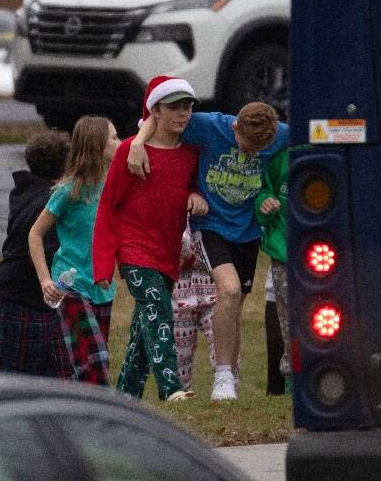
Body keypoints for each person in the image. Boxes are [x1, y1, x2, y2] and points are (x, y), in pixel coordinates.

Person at [127, 101, 288, 401]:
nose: (251, 154)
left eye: (258, 150)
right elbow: (155, 118)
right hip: (211, 223)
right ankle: (222, 378)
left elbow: (315, 133)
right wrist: (137, 142)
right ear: (235, 127)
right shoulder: (209, 125)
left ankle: (231, 380)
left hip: (248, 231)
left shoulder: (278, 134)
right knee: (228, 289)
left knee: (235, 303)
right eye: (246, 146)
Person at [92, 76, 207, 401]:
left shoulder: (191, 153)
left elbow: (188, 186)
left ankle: (124, 400)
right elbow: (107, 207)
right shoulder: (131, 151)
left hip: (167, 254)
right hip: (134, 251)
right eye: (173, 107)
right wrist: (102, 265)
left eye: (187, 106)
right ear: (155, 110)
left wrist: (194, 194)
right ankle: (172, 389)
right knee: (158, 308)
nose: (182, 114)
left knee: (143, 335)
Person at [29, 116, 119, 385]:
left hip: (103, 288)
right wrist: (45, 280)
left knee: (82, 366)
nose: (121, 142)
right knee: (96, 361)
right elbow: (35, 233)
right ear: (95, 146)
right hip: (72, 286)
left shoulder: (115, 186)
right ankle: (102, 419)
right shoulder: (69, 190)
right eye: (114, 138)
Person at [0, 130, 73, 379]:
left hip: (13, 297)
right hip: (22, 301)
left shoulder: (25, 192)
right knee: (24, 385)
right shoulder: (51, 202)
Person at [256, 147, 290, 393]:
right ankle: (291, 386)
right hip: (285, 255)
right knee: (288, 324)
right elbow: (263, 191)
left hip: (327, 255)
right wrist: (264, 203)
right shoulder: (281, 158)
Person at [173, 225, 217, 392]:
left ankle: (226, 392)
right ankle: (180, 396)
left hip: (213, 286)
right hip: (179, 292)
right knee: (180, 355)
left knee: (221, 340)